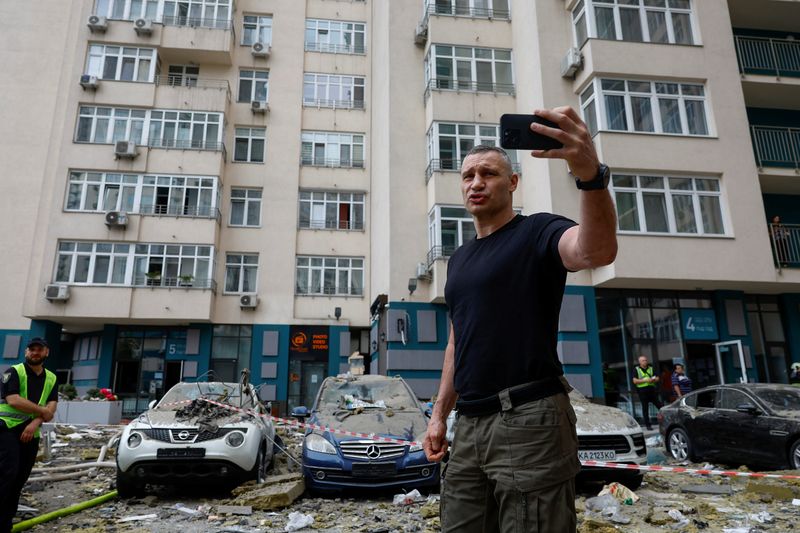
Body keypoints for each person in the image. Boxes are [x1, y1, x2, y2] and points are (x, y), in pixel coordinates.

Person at [422, 106, 618, 533]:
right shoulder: (459, 261)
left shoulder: (539, 231)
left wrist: (590, 176)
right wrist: (440, 415)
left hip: (529, 416)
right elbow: (459, 342)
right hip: (469, 425)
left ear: (512, 183)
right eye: (468, 175)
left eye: (489, 173)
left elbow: (595, 252)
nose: (476, 182)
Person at [0, 338, 58, 533]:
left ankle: (6, 523)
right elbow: (13, 400)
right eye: (31, 349)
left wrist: (35, 422)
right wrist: (42, 411)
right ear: (26, 352)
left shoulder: (51, 377)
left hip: (30, 432)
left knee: (20, 477)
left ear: (46, 353)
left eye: (39, 350)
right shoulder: (14, 372)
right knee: (7, 472)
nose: (35, 352)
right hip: (7, 428)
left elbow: (51, 407)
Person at [632, 355, 662, 430]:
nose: (645, 361)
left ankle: (665, 421)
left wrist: (653, 380)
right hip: (642, 391)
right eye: (643, 360)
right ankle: (648, 425)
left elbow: (658, 377)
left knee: (660, 406)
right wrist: (645, 380)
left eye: (645, 360)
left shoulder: (651, 368)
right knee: (645, 408)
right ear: (639, 362)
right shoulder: (636, 369)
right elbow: (635, 381)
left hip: (652, 390)